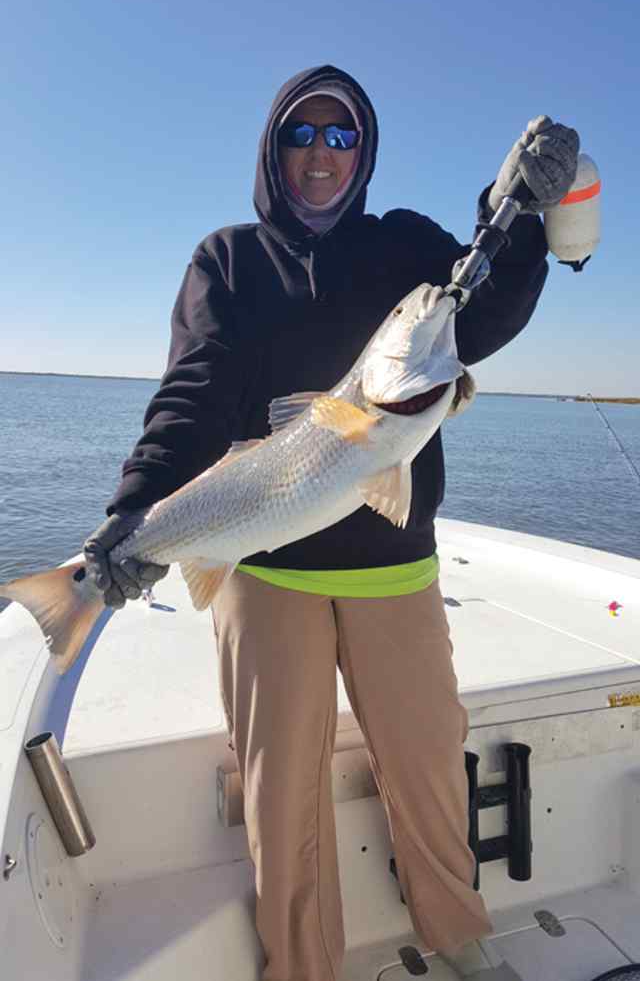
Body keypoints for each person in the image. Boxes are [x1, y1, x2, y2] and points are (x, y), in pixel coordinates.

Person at [84, 65, 578, 981]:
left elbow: (481, 306)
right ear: (274, 150)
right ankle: (302, 967)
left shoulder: (404, 247)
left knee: (428, 761)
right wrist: (135, 509)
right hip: (262, 563)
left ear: (365, 149)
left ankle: (458, 934)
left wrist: (522, 218)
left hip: (392, 560)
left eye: (340, 135)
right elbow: (191, 399)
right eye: (301, 135)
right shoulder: (225, 260)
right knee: (281, 791)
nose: (321, 154)